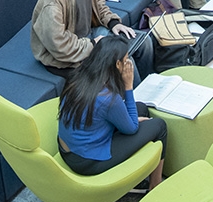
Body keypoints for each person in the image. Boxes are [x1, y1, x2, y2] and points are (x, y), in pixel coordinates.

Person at [58, 36, 167, 190]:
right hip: (87, 160)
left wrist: (132, 118)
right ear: (117, 64)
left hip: (68, 148)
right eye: (126, 59)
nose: (129, 63)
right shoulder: (108, 97)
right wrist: (128, 86)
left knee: (141, 108)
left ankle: (141, 171)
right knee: (159, 126)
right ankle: (155, 186)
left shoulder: (79, 77)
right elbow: (131, 129)